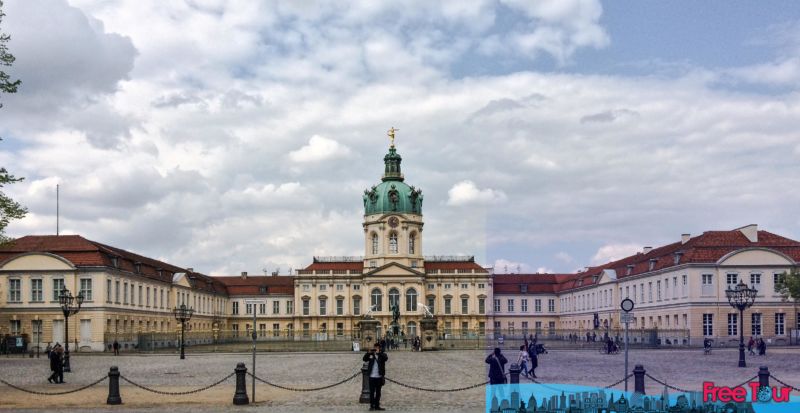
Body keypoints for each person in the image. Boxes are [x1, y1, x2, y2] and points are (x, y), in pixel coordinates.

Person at [363, 342, 388, 411]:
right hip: (371, 377)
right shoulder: (371, 355)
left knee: (378, 393)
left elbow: (386, 358)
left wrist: (379, 353)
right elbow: (364, 359)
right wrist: (368, 353)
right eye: (375, 347)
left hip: (379, 377)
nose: (376, 348)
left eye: (377, 347)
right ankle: (372, 406)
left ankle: (377, 406)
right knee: (371, 392)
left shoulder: (382, 354)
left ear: (379, 348)